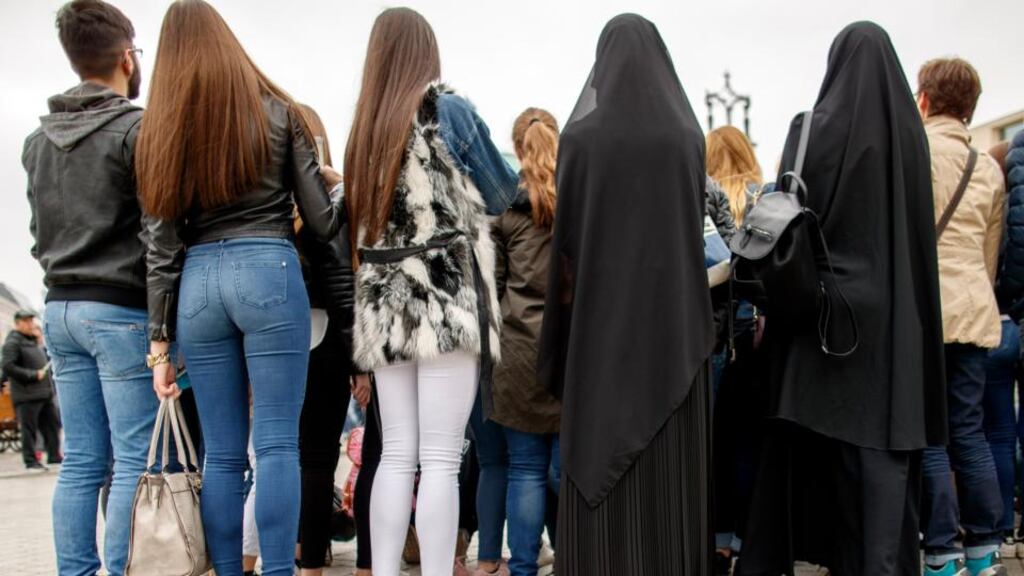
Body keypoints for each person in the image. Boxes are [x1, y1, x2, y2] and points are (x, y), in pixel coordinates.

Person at [135, 1, 343, 574]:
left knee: (222, 455)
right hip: (270, 270)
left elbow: (160, 246)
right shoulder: (279, 113)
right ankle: (277, 569)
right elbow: (323, 224)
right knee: (277, 443)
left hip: (198, 280)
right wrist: (342, 188)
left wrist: (158, 346)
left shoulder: (163, 129)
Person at [735, 22, 946, 576]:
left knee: (809, 462)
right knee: (880, 469)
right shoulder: (910, 135)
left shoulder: (810, 129)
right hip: (893, 326)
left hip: (819, 320)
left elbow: (785, 223)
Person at [336, 7, 517, 576]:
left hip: (382, 299)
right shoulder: (447, 109)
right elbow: (503, 192)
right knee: (440, 458)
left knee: (395, 453)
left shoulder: (364, 125)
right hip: (444, 295)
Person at [538, 14, 715, 574]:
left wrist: (560, 340)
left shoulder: (581, 140)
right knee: (670, 481)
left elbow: (564, 246)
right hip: (674, 334)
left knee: (601, 469)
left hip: (600, 334)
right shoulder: (687, 137)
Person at [21, 1, 152, 573]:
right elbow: (157, 230)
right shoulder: (136, 129)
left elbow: (36, 230)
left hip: (58, 307)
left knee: (79, 462)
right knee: (130, 461)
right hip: (119, 308)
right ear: (127, 57)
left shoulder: (36, 141)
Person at [915, 57, 1009, 576]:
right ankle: (986, 550)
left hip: (928, 312)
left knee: (930, 434)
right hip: (974, 307)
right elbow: (989, 252)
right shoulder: (988, 165)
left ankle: (943, 552)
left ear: (924, 99)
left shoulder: (916, 150)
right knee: (970, 431)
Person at [487, 107, 563, 576]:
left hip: (517, 356)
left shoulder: (504, 214)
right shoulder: (579, 207)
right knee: (565, 470)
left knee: (525, 471)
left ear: (517, 150)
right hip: (571, 353)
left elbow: (493, 293)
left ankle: (522, 570)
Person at [294, 105, 356, 576]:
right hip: (325, 335)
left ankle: (295, 550)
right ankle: (312, 561)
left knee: (281, 453)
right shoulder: (327, 201)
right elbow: (339, 278)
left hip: (278, 335)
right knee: (317, 458)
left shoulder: (267, 196)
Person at [705, 126, 767, 572]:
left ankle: (717, 540)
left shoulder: (704, 198)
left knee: (712, 443)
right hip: (754, 332)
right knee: (748, 443)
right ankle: (748, 539)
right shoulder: (761, 197)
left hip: (712, 332)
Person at [1, 310, 61, 470]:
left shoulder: (32, 341)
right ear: (18, 323)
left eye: (31, 321)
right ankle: (30, 460)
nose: (31, 324)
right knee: (29, 429)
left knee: (52, 425)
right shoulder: (12, 343)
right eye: (26, 321)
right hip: (27, 394)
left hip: (43, 393)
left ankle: (54, 456)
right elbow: (7, 366)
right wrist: (32, 375)